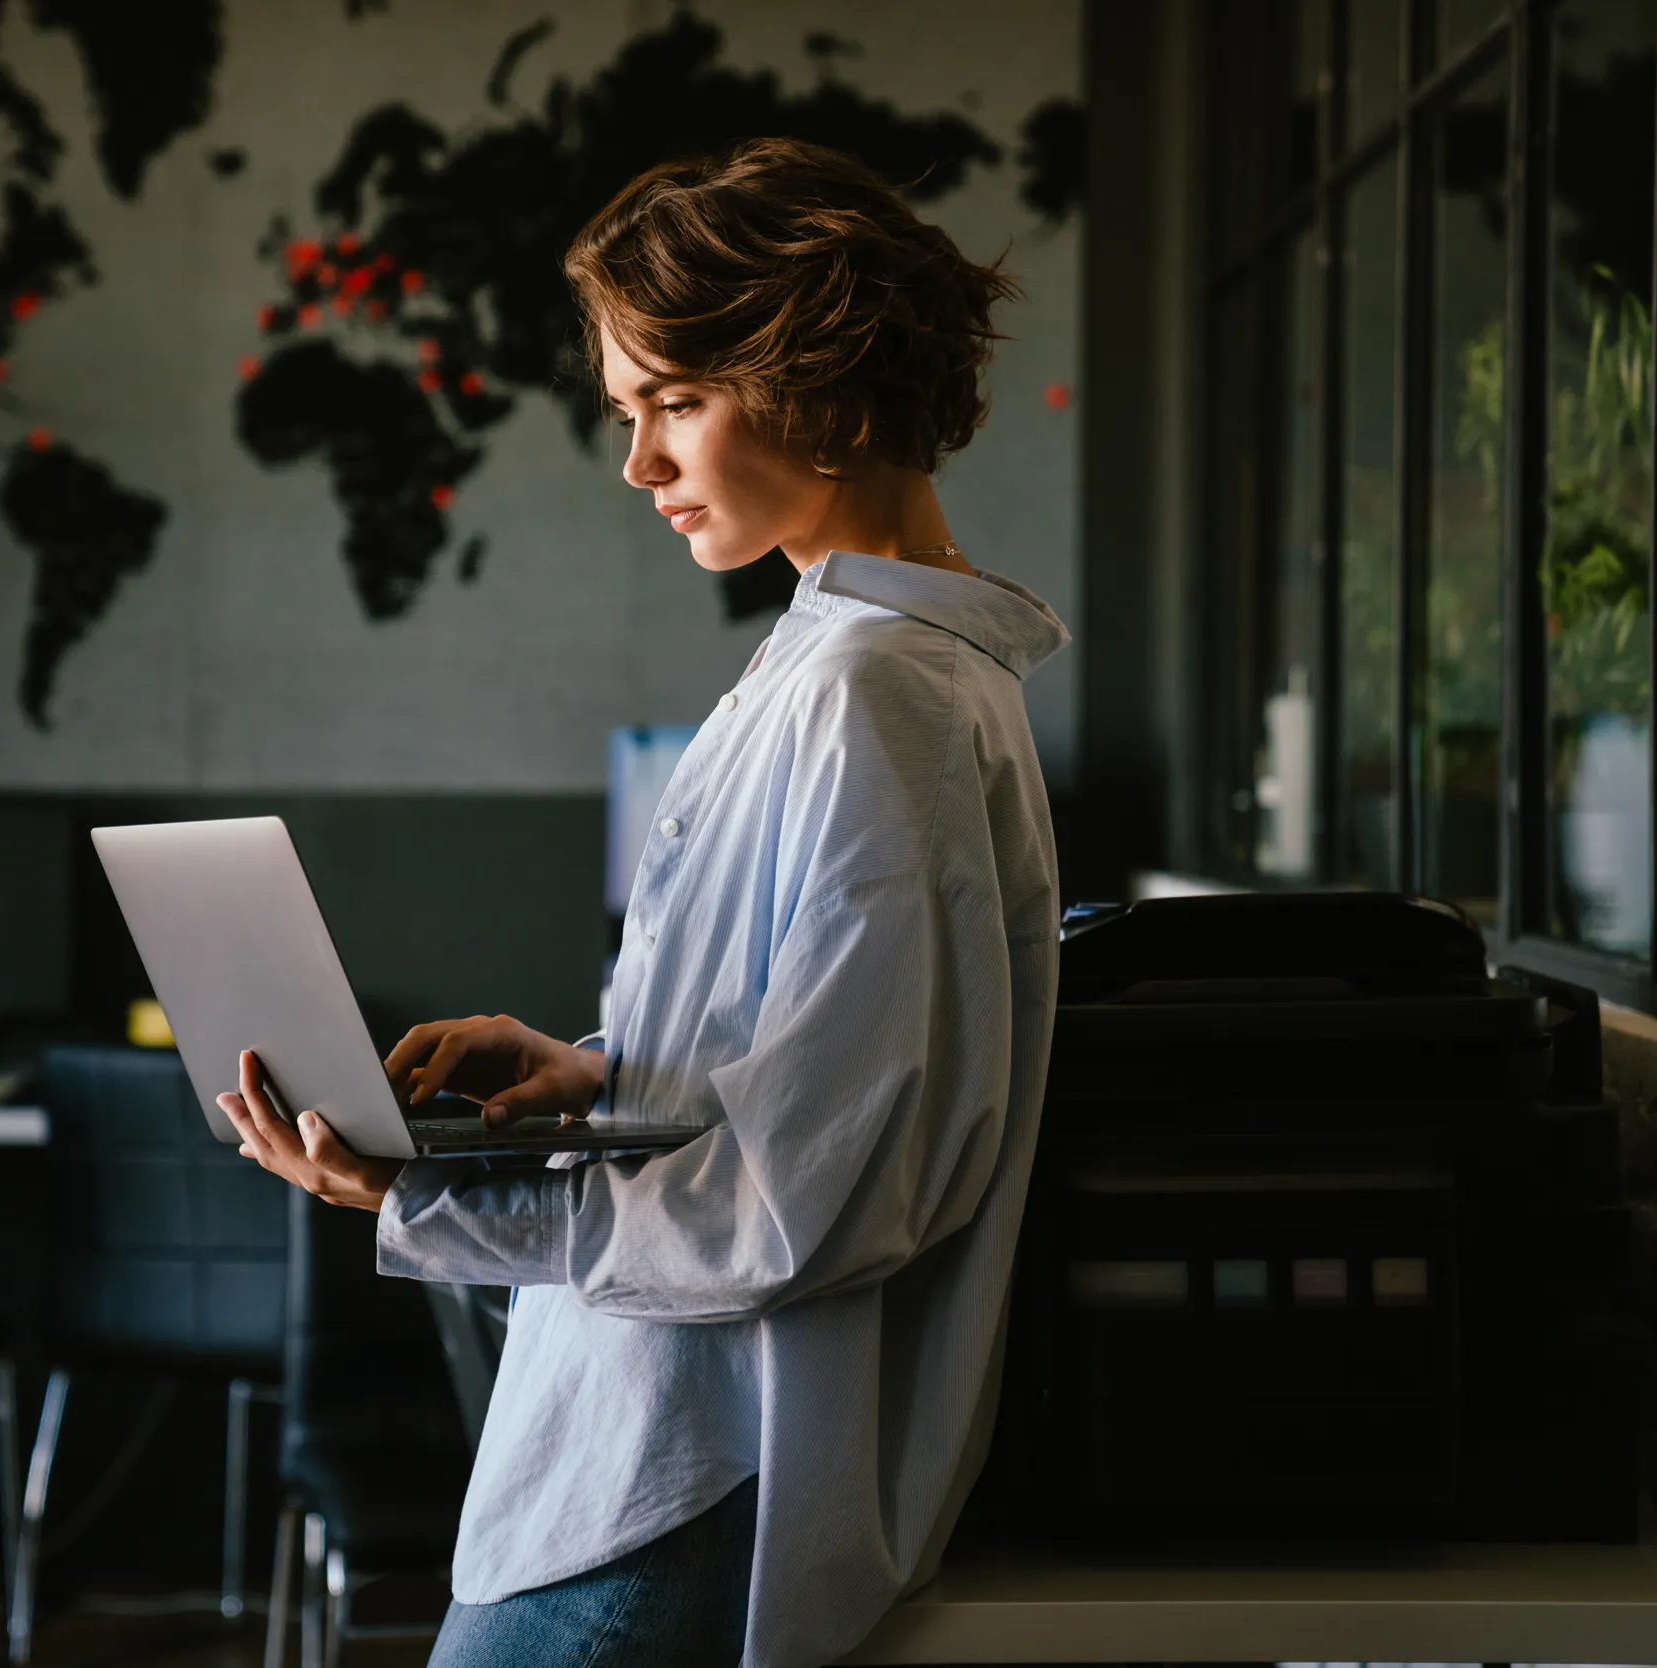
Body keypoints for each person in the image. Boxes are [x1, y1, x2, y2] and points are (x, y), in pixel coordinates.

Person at [219, 136, 1067, 1668]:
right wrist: (596, 1072)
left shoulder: (887, 696)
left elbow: (818, 1192)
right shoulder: (838, 663)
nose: (641, 466)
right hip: (647, 1445)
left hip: (688, 1469)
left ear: (830, 371)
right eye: (630, 413)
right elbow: (815, 1060)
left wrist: (434, 1193)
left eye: (677, 402)